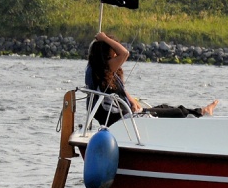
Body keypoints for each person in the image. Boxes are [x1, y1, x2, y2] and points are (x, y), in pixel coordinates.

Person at [86, 32, 218, 122]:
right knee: (178, 112)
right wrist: (105, 39)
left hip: (127, 114)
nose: (116, 55)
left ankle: (201, 111)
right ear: (106, 55)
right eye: (113, 52)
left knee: (165, 107)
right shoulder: (102, 69)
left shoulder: (103, 71)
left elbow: (121, 90)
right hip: (121, 119)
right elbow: (125, 53)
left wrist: (132, 102)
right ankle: (202, 113)